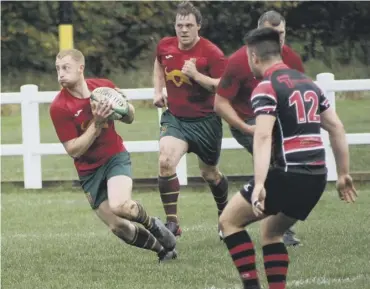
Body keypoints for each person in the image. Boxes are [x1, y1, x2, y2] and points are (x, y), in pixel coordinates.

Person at [218, 27, 357, 289]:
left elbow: (261, 137)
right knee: (272, 233)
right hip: (316, 178)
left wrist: (259, 184)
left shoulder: (266, 87)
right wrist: (343, 174)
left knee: (229, 221)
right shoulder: (309, 84)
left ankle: (251, 286)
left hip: (287, 174)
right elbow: (337, 128)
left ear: (254, 57)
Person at [50, 48, 177, 262]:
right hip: (89, 172)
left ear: (81, 68)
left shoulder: (103, 88)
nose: (60, 74)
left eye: (66, 68)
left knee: (120, 205)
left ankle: (152, 224)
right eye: (58, 69)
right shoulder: (59, 107)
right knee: (118, 226)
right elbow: (73, 150)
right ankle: (162, 250)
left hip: (114, 157)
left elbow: (130, 117)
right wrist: (97, 124)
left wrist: (123, 107)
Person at [214, 10, 304, 246]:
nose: (277, 39)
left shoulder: (292, 59)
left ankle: (237, 221)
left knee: (285, 170)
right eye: (270, 34)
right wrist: (245, 127)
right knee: (277, 168)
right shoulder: (238, 61)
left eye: (281, 34)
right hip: (249, 124)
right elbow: (220, 103)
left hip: (279, 126)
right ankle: (245, 223)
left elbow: (301, 96)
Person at [153, 1, 228, 238]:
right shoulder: (165, 46)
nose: (183, 30)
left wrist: (196, 75)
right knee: (165, 161)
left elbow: (223, 85)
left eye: (188, 25)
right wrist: (157, 90)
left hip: (206, 122)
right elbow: (158, 63)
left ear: (198, 27)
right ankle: (172, 223)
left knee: (210, 174)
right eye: (179, 25)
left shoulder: (211, 52)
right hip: (176, 119)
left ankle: (226, 215)